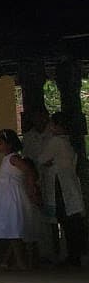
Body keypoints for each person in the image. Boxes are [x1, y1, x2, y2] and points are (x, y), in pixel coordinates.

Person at [0, 129, 39, 270]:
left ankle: (21, 262)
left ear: (9, 144)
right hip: (6, 195)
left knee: (14, 229)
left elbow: (28, 171)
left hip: (12, 196)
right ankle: (8, 261)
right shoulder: (7, 159)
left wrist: (31, 188)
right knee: (13, 228)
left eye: (0, 143)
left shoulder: (13, 158)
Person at [43, 114, 86, 268]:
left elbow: (43, 159)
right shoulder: (69, 142)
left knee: (66, 220)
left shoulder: (56, 141)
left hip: (60, 184)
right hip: (70, 184)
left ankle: (69, 256)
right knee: (72, 221)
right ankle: (73, 254)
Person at [19, 110, 57, 262]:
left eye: (42, 117)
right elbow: (28, 161)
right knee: (38, 220)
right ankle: (42, 254)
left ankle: (58, 252)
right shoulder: (28, 138)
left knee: (55, 218)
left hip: (54, 181)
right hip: (35, 181)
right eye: (36, 117)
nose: (39, 120)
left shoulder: (55, 136)